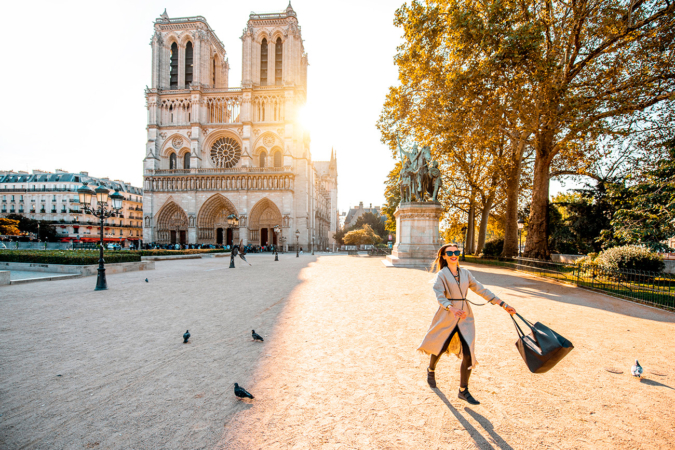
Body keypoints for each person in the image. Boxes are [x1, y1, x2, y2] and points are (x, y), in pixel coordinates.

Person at [417, 243, 516, 405]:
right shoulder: (441, 275)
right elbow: (439, 295)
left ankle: (463, 390)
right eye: (450, 253)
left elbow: (482, 290)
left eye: (456, 251)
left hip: (465, 317)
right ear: (444, 256)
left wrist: (504, 305)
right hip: (447, 316)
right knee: (440, 347)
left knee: (469, 353)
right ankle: (431, 369)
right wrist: (451, 308)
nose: (454, 254)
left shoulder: (466, 273)